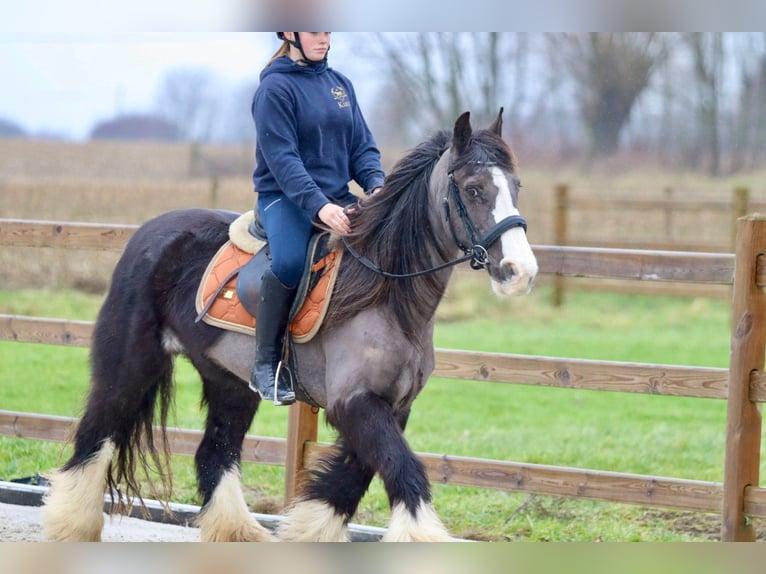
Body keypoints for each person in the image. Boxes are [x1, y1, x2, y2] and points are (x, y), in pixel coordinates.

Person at [250, 32, 385, 405]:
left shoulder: (340, 85)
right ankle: (265, 366)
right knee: (291, 263)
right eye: (314, 32)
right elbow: (282, 159)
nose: (324, 39)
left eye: (327, 31)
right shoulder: (274, 90)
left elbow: (362, 147)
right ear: (288, 34)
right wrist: (320, 207)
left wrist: (375, 186)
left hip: (336, 197)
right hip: (284, 198)